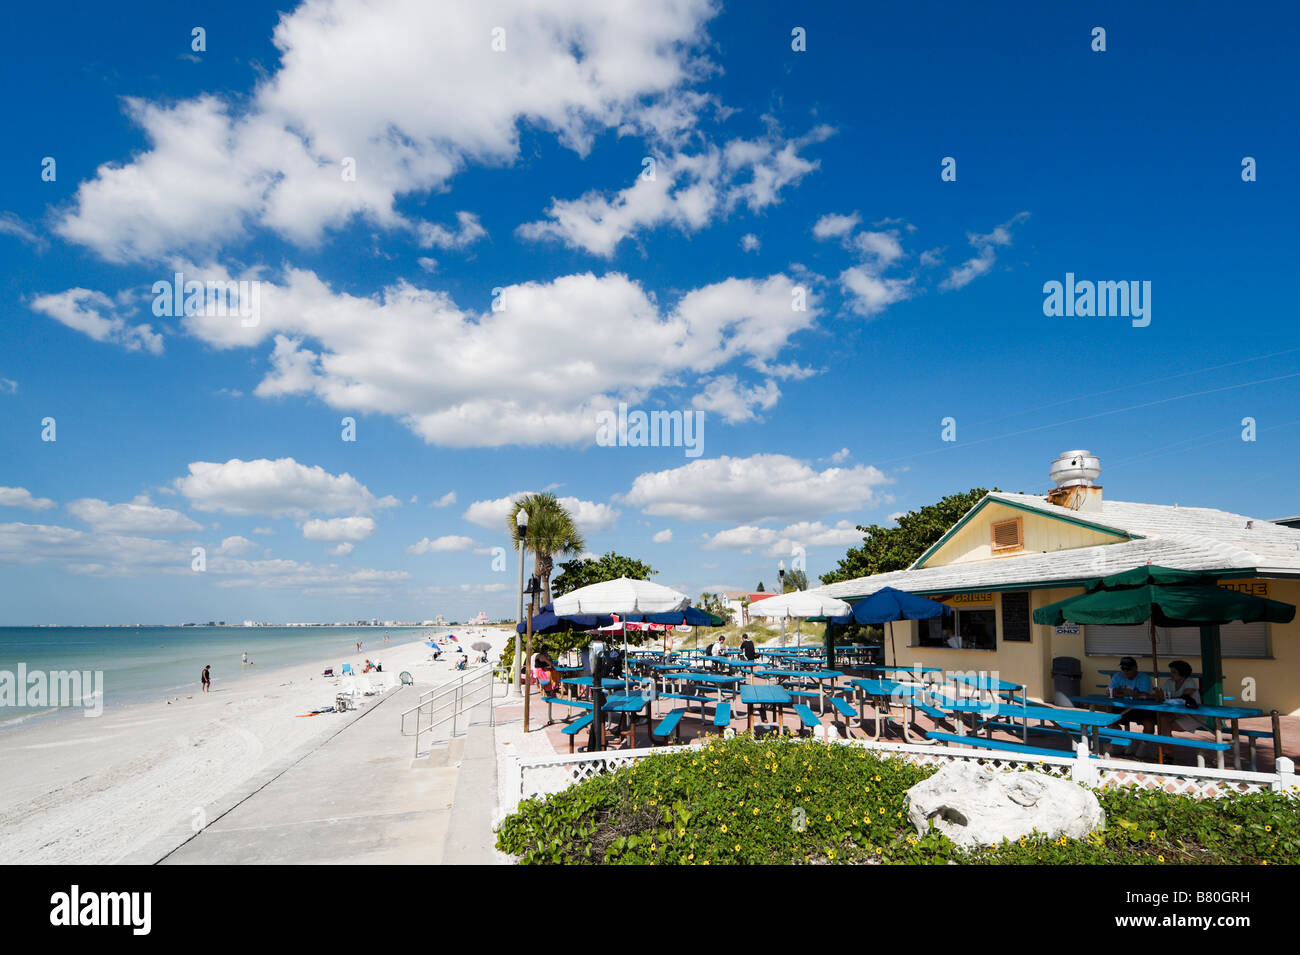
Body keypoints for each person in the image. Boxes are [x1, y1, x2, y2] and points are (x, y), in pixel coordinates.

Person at [1158, 660, 1206, 732]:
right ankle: (1165, 742)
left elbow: (1183, 697)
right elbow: (1160, 695)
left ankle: (1164, 742)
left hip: (1193, 715)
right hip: (1177, 712)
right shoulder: (1169, 682)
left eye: (1174, 672)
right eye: (1171, 672)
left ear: (1182, 673)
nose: (1171, 674)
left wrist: (1166, 699)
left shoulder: (1189, 682)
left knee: (1169, 725)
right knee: (1163, 718)